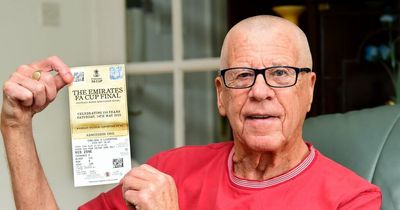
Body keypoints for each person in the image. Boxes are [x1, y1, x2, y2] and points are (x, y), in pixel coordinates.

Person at [1, 15, 381, 210]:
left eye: (280, 74)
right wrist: (16, 125)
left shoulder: (353, 200)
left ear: (309, 89)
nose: (259, 91)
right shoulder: (170, 171)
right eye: (242, 75)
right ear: (221, 94)